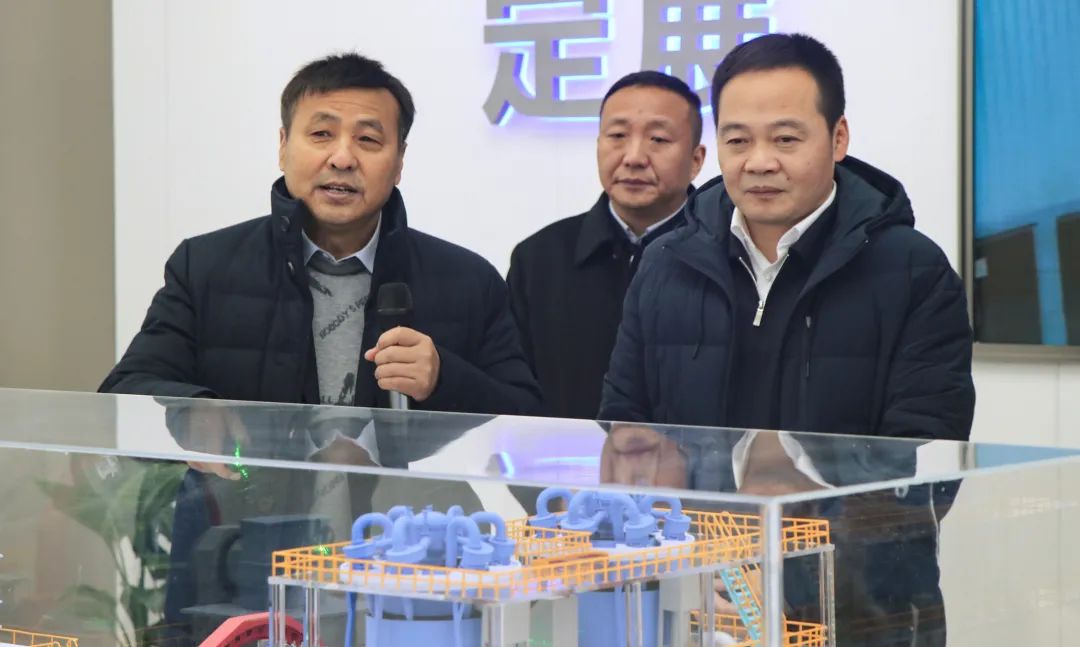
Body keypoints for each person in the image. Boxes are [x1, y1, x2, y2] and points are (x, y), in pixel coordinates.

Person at [599, 33, 975, 646]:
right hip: (697, 601)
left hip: (860, 611)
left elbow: (926, 463)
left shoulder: (913, 270)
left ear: (838, 138)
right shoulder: (666, 263)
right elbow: (625, 431)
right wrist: (695, 563)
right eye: (737, 140)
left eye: (785, 139)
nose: (759, 162)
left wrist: (790, 536)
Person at [102, 53, 542, 420]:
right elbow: (125, 392)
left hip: (404, 504)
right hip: (246, 501)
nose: (343, 158)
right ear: (283, 146)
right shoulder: (204, 266)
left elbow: (527, 420)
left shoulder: (469, 281)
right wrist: (195, 412)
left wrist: (445, 379)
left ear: (399, 162)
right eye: (321, 134)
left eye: (368, 139)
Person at [507, 71, 705, 419]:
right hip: (564, 454)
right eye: (617, 136)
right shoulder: (539, 258)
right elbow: (516, 393)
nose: (634, 157)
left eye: (658, 139)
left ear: (696, 160)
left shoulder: (725, 257)